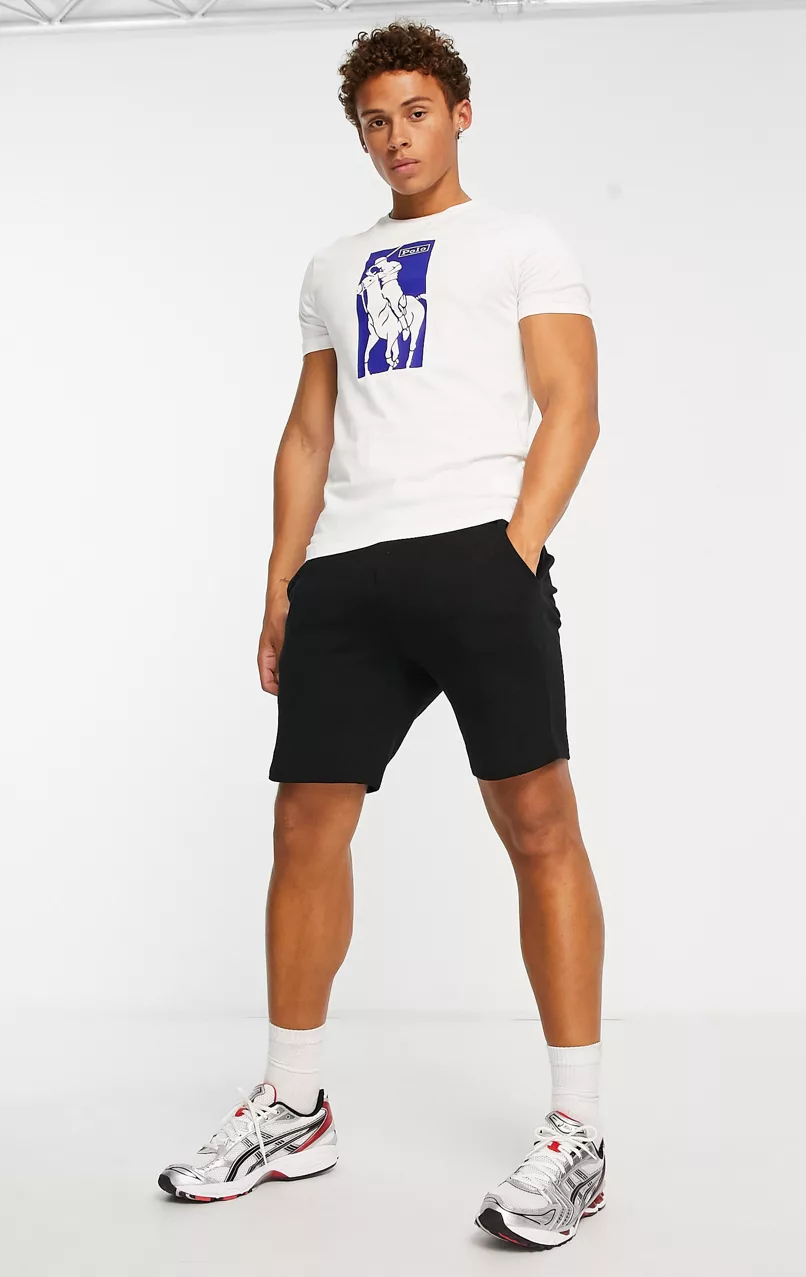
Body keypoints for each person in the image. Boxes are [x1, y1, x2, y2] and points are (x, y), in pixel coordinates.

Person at [158, 21, 605, 1250]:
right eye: (374, 120)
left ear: (459, 112)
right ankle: (293, 1104)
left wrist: (515, 547)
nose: (395, 136)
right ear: (358, 133)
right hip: (347, 572)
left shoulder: (519, 242)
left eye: (415, 111)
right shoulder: (331, 266)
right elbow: (310, 430)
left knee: (537, 821)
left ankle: (577, 1128)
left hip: (476, 555)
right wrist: (280, 579)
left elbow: (572, 402)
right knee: (303, 820)